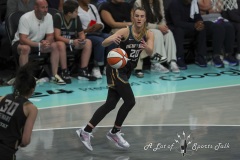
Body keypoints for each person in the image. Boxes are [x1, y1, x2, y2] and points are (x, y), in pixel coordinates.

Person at [76, 7, 154, 151]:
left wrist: (146, 48)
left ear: (145, 18)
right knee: (130, 101)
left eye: (142, 16)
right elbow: (104, 43)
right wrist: (112, 38)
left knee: (110, 104)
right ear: (133, 17)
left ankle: (85, 131)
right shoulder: (125, 31)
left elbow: (150, 51)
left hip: (127, 70)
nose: (139, 18)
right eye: (136, 16)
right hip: (116, 69)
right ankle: (115, 132)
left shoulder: (148, 33)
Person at [12, 0, 69, 84]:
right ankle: (25, 78)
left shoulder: (49, 16)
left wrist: (46, 42)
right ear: (35, 7)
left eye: (46, 7)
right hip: (20, 43)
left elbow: (50, 35)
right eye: (43, 7)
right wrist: (39, 45)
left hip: (38, 43)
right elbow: (22, 39)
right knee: (25, 48)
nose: (46, 10)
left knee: (55, 46)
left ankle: (54, 75)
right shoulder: (26, 18)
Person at [0, 63, 38, 160]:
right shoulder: (31, 109)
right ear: (32, 90)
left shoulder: (2, 98)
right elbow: (25, 140)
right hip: (5, 151)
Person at [53, 0, 97, 81]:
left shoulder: (77, 18)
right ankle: (64, 71)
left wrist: (82, 39)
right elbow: (57, 36)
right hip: (62, 42)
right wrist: (71, 41)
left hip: (73, 42)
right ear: (69, 13)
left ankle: (83, 70)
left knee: (88, 42)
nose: (77, 13)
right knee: (60, 44)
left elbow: (81, 33)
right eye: (76, 11)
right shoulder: (58, 17)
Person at [134, 0, 180, 76]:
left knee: (168, 33)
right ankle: (155, 63)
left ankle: (172, 61)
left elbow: (162, 18)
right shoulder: (138, 2)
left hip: (158, 27)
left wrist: (163, 26)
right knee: (156, 33)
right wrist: (158, 27)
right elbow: (140, 22)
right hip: (143, 29)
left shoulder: (159, 1)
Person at [77, 0, 116, 78]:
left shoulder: (92, 7)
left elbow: (100, 23)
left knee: (112, 38)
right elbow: (75, 27)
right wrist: (86, 30)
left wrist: (99, 26)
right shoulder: (76, 9)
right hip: (85, 34)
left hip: (97, 32)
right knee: (100, 41)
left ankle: (108, 66)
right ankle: (96, 67)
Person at [167, 0, 207, 70]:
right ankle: (179, 58)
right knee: (179, 31)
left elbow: (198, 16)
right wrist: (194, 25)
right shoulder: (174, 4)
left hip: (189, 26)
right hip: (175, 27)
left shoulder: (194, 3)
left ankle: (200, 56)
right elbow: (177, 22)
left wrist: (199, 22)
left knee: (201, 29)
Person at [198, 0, 239, 67]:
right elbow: (204, 6)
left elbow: (219, 9)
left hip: (218, 18)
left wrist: (207, 11)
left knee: (229, 26)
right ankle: (216, 56)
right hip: (204, 20)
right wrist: (212, 7)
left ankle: (228, 55)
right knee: (218, 28)